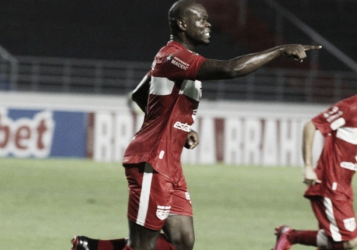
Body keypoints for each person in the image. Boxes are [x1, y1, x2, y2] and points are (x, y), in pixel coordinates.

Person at [72, 0, 321, 249]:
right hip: (152, 161)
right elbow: (230, 69)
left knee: (182, 242)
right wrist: (278, 51)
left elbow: (140, 94)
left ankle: (91, 247)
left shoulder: (180, 59)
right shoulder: (173, 56)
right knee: (142, 246)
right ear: (182, 24)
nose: (208, 24)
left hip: (170, 165)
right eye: (201, 19)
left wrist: (182, 126)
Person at [273, 94, 357, 250]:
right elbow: (311, 125)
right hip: (330, 184)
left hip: (344, 185)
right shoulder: (350, 107)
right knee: (349, 241)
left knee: (332, 242)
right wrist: (307, 167)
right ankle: (290, 235)